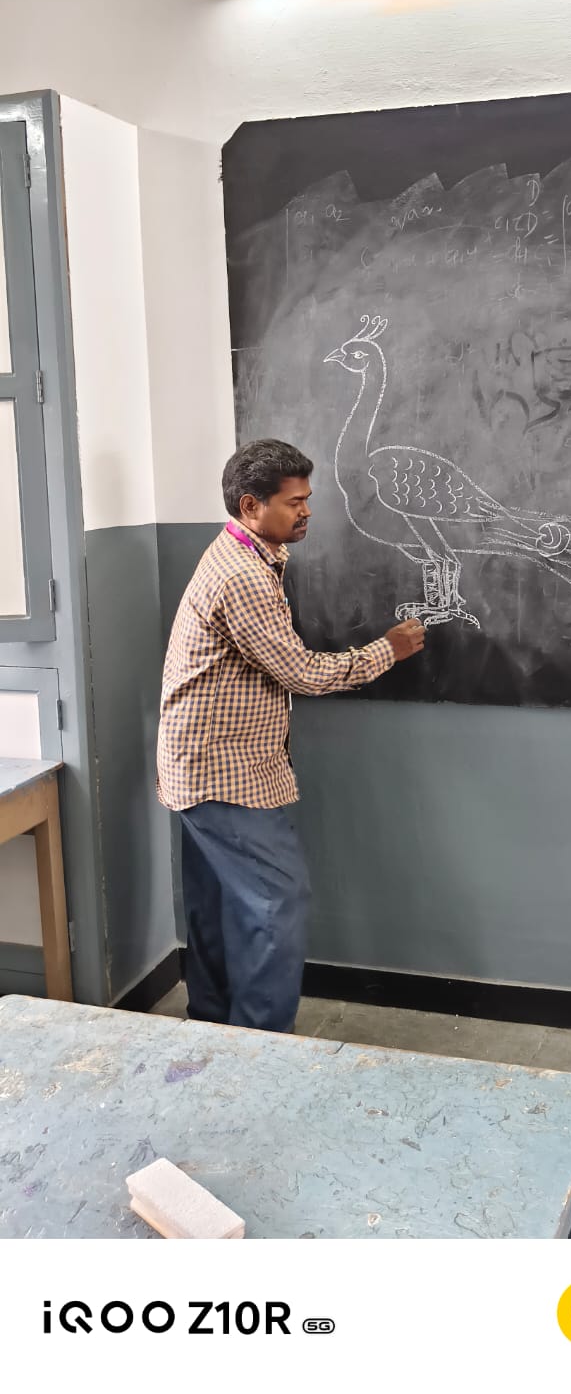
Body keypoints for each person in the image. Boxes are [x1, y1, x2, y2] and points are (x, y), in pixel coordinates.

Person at [157, 438, 424, 1033]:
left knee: (217, 904)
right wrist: (388, 649)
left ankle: (214, 1026)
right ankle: (262, 1043)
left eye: (307, 499)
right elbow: (301, 673)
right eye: (294, 502)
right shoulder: (243, 577)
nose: (306, 512)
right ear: (251, 506)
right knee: (277, 900)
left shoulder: (242, 552)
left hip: (202, 762)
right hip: (223, 771)